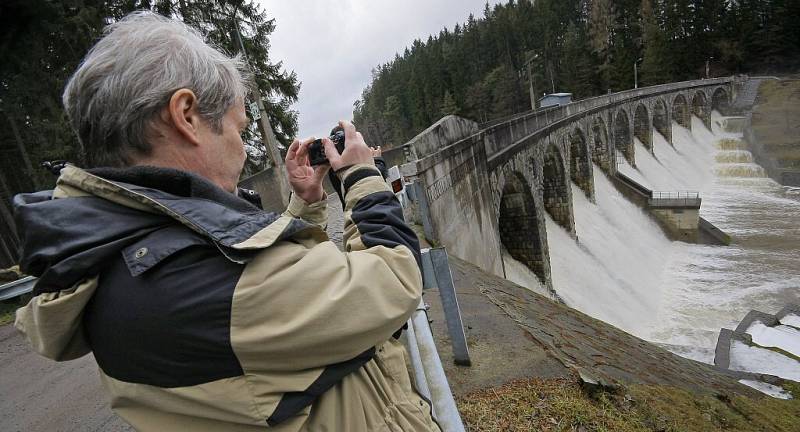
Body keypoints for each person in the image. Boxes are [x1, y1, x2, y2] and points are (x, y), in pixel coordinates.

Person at [12, 11, 439, 432]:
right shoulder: (205, 284)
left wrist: (303, 206)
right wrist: (363, 176)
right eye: (239, 129)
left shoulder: (119, 259)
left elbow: (257, 335)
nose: (244, 151)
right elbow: (395, 280)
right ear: (186, 116)